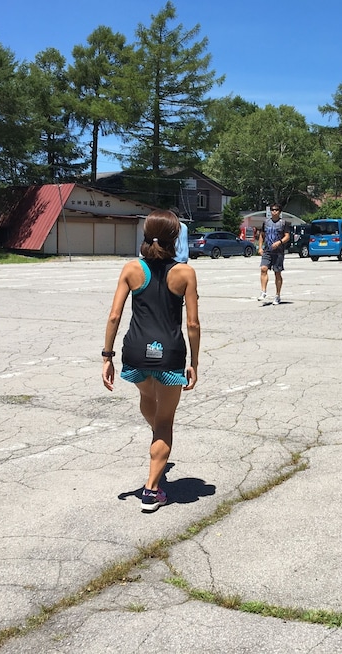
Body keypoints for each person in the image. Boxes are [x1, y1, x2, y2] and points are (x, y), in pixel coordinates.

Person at [102, 210, 200, 511]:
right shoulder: (185, 273)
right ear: (175, 238)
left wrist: (107, 356)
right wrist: (195, 362)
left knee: (147, 398)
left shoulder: (132, 269)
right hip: (169, 353)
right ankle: (151, 490)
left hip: (136, 351)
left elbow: (114, 315)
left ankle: (157, 439)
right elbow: (193, 324)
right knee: (165, 422)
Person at [256, 204, 290, 305]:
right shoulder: (266, 222)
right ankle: (263, 291)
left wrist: (279, 242)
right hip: (267, 250)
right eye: (272, 210)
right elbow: (262, 235)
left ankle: (277, 295)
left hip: (278, 252)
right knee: (263, 269)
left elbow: (287, 236)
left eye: (276, 210)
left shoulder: (283, 223)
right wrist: (260, 247)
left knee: (277, 273)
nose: (274, 211)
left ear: (280, 212)